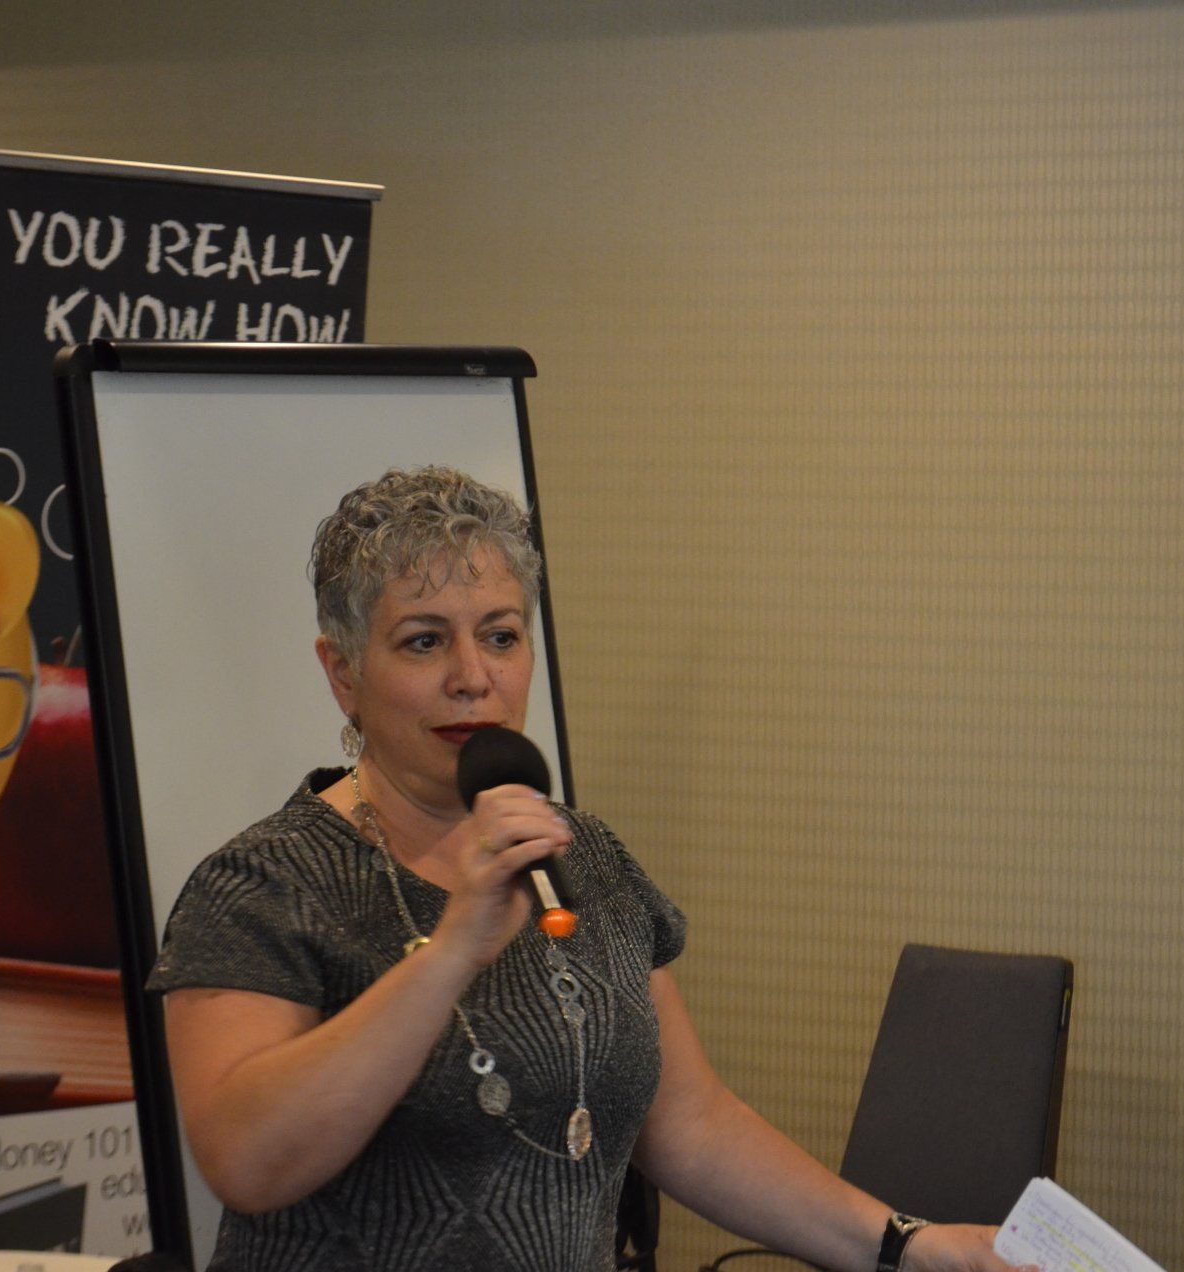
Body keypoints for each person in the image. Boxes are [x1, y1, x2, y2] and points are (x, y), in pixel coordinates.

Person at [150, 466, 1033, 1272]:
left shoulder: (584, 856)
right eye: (423, 643)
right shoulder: (265, 884)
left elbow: (690, 1126)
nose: (473, 677)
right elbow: (246, 1162)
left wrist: (905, 1244)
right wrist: (451, 953)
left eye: (500, 637)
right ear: (343, 672)